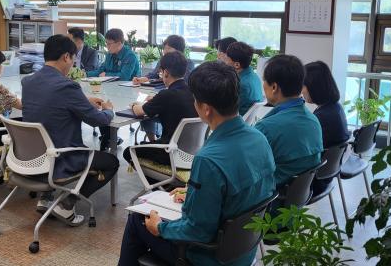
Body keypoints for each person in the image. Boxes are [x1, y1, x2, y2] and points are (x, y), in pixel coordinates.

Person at [118, 61, 276, 266]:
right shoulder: (259, 139)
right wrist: (193, 194)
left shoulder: (208, 160)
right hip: (244, 251)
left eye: (195, 100)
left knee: (137, 220)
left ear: (206, 109)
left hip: (208, 256)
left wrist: (160, 228)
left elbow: (197, 231)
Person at [22, 34, 119, 225]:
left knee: (49, 131)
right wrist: (109, 111)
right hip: (62, 158)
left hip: (33, 157)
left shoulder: (29, 81)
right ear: (66, 57)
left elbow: (51, 103)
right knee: (111, 162)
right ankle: (67, 205)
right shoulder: (67, 86)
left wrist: (83, 100)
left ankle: (46, 197)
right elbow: (97, 120)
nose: (73, 63)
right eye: (73, 59)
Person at [254, 55, 323, 187]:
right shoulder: (313, 120)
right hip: (299, 195)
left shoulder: (266, 128)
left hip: (272, 198)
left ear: (274, 87)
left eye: (264, 81)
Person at [123, 51, 198, 162]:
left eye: (161, 73)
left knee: (129, 151)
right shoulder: (193, 91)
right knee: (145, 145)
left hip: (169, 152)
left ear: (166, 73)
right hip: (192, 152)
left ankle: (156, 179)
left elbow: (139, 112)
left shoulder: (166, 94)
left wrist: (134, 105)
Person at [303, 61, 350, 194]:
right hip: (327, 175)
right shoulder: (335, 108)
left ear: (314, 87)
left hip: (310, 184)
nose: (301, 90)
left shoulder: (321, 117)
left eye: (304, 85)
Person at [224, 42, 264, 116]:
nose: (224, 62)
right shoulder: (254, 76)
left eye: (226, 59)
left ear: (237, 65)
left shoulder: (241, 84)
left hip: (237, 120)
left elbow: (226, 109)